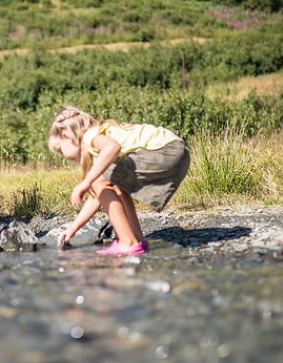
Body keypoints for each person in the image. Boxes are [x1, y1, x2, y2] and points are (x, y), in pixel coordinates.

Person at [48, 105, 190, 255]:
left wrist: (86, 182)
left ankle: (127, 242)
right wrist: (73, 229)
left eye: (59, 149)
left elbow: (112, 147)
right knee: (112, 182)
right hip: (176, 152)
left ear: (66, 136)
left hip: (166, 151)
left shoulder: (90, 136)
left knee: (99, 179)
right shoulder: (98, 141)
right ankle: (136, 240)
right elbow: (97, 196)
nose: (62, 154)